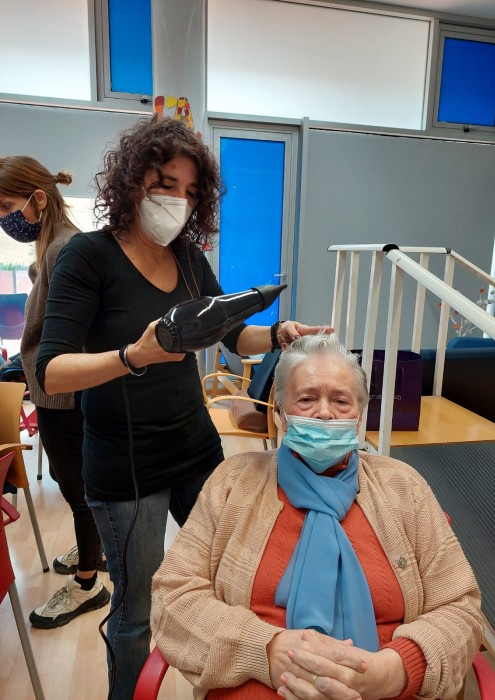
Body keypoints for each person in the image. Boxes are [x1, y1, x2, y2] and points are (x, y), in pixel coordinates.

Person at [35, 116, 327, 699]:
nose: (177, 201)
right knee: (136, 611)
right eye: (166, 184)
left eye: (191, 192)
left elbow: (232, 334)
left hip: (196, 451)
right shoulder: (87, 258)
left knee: (229, 579)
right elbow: (51, 369)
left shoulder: (189, 259)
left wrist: (277, 335)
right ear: (132, 181)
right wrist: (132, 356)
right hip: (125, 468)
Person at [151, 333, 483, 700]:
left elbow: (460, 609)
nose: (324, 412)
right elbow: (172, 597)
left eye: (340, 401)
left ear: (359, 416)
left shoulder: (405, 487)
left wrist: (393, 670)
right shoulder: (233, 483)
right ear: (281, 413)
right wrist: (265, 649)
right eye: (307, 399)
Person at [0, 156, 109, 629]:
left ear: (38, 199)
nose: (4, 219)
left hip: (64, 392)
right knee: (76, 485)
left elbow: (69, 331)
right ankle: (92, 552)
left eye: (6, 207)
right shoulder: (56, 247)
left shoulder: (64, 247)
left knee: (77, 487)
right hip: (58, 389)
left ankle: (88, 584)